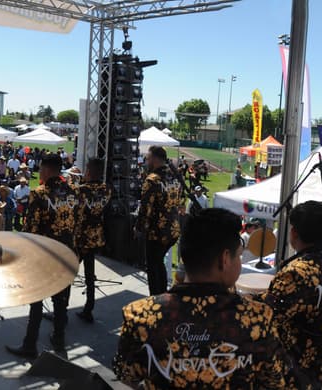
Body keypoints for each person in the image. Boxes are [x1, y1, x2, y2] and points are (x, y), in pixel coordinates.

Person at [113, 208, 291, 388]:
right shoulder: (257, 319)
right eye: (238, 255)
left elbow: (125, 374)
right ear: (224, 259)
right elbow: (275, 382)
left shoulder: (140, 316)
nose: (239, 261)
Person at [261, 200, 322, 387]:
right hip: (321, 361)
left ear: (294, 232)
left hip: (296, 367)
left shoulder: (297, 273)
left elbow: (268, 315)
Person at [6, 154, 77, 358]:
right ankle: (59, 339)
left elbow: (31, 230)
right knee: (60, 300)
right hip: (66, 253)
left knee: (36, 299)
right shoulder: (74, 191)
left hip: (44, 256)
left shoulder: (39, 193)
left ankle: (30, 344)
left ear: (45, 170)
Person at [137, 145, 184, 296]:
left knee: (153, 266)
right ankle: (164, 296)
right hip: (173, 230)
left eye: (148, 158)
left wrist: (138, 228)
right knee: (158, 262)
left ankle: (156, 301)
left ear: (155, 159)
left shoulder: (152, 180)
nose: (147, 161)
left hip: (157, 233)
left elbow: (145, 209)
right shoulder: (176, 176)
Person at [72, 158, 111, 322]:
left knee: (68, 272)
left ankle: (60, 310)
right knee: (89, 274)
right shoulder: (107, 189)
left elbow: (76, 213)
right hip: (96, 237)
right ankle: (89, 308)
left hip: (80, 238)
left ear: (89, 171)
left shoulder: (81, 190)